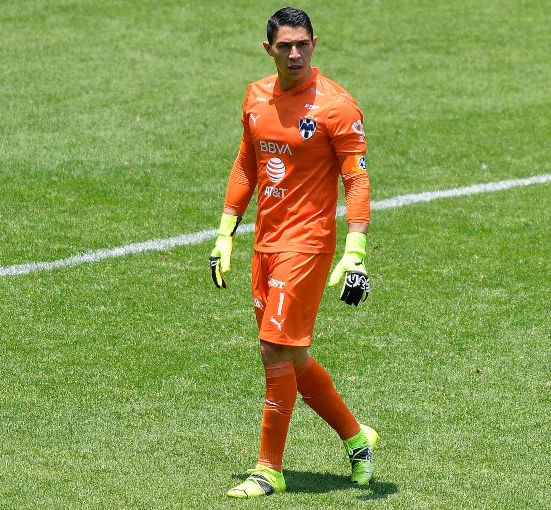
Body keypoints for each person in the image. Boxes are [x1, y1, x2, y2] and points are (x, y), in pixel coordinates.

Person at [207, 7, 377, 499]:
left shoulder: (337, 106)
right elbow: (246, 162)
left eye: (303, 44)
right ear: (269, 50)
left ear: (315, 43)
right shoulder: (255, 96)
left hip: (307, 244)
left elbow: (356, 179)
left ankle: (268, 468)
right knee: (294, 355)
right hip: (266, 242)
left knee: (272, 350)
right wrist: (225, 231)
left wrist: (356, 251)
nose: (296, 53)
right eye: (285, 46)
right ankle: (357, 437)